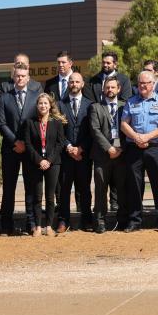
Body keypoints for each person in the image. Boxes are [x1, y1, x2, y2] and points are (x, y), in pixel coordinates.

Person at [120, 70, 158, 232]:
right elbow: (124, 124)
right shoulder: (131, 102)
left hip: (156, 148)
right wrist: (137, 137)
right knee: (134, 185)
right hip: (134, 148)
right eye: (140, 83)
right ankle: (135, 220)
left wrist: (147, 137)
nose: (143, 86)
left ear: (153, 84)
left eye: (146, 83)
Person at [0, 63, 41, 235]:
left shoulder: (35, 95)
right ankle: (6, 225)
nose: (20, 78)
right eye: (18, 76)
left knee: (31, 187)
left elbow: (38, 121)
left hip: (30, 149)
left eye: (23, 76)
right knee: (9, 188)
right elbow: (1, 123)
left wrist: (26, 143)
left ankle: (31, 223)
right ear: (13, 77)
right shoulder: (4, 97)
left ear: (28, 78)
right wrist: (16, 142)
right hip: (11, 148)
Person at [88, 76, 128, 233]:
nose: (110, 90)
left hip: (121, 155)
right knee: (100, 189)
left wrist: (121, 148)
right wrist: (109, 148)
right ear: (103, 89)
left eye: (113, 87)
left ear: (118, 89)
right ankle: (99, 222)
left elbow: (131, 128)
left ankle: (123, 220)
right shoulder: (95, 107)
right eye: (107, 87)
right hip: (102, 156)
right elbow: (95, 130)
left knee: (122, 189)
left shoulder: (125, 106)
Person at [57, 72, 94, 231]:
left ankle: (87, 220)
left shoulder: (90, 104)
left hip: (84, 155)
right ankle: (63, 221)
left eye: (77, 81)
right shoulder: (59, 105)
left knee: (85, 189)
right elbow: (58, 131)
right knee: (64, 189)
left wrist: (81, 148)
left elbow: (93, 131)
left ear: (82, 84)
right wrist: (68, 147)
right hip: (65, 155)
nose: (74, 84)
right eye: (71, 82)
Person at [24, 93, 65, 237]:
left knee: (50, 196)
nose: (43, 106)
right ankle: (37, 226)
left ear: (50, 105)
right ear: (37, 106)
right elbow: (28, 144)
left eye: (45, 103)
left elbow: (60, 143)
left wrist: (49, 160)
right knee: (37, 196)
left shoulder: (56, 122)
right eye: (40, 103)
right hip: (35, 163)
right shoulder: (30, 122)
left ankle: (48, 225)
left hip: (53, 163)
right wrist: (39, 160)